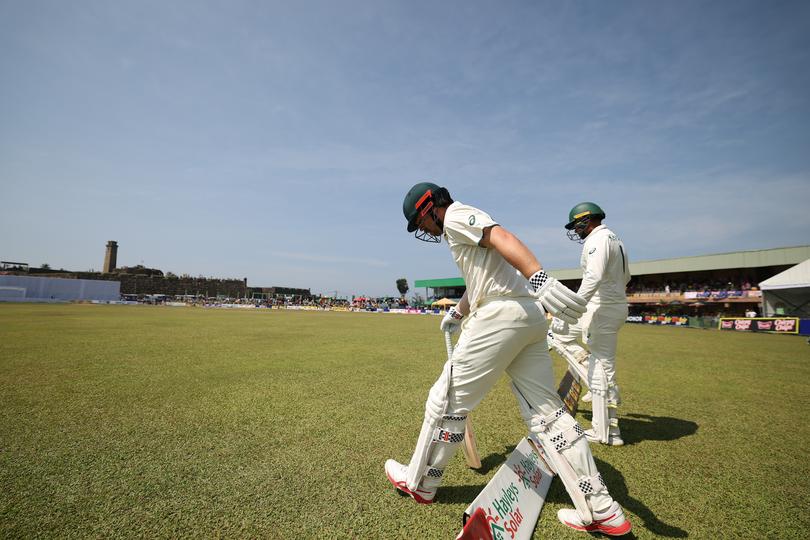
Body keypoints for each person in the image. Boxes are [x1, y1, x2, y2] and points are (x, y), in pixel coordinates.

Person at [385, 182, 632, 536]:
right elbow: (482, 276)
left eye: (419, 222)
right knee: (549, 414)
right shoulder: (463, 232)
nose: (423, 230)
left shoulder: (455, 215)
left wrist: (540, 278)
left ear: (429, 207)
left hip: (501, 316)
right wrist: (458, 311)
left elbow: (502, 236)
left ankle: (420, 483)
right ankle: (602, 510)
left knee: (445, 402)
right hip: (528, 318)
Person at [549, 202, 631, 446]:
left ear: (587, 220)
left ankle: (605, 432)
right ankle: (585, 366)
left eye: (576, 225)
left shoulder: (597, 240)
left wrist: (574, 307)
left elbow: (593, 277)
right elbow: (626, 277)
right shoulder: (616, 239)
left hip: (601, 310)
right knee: (555, 332)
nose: (575, 230)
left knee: (602, 369)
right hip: (607, 307)